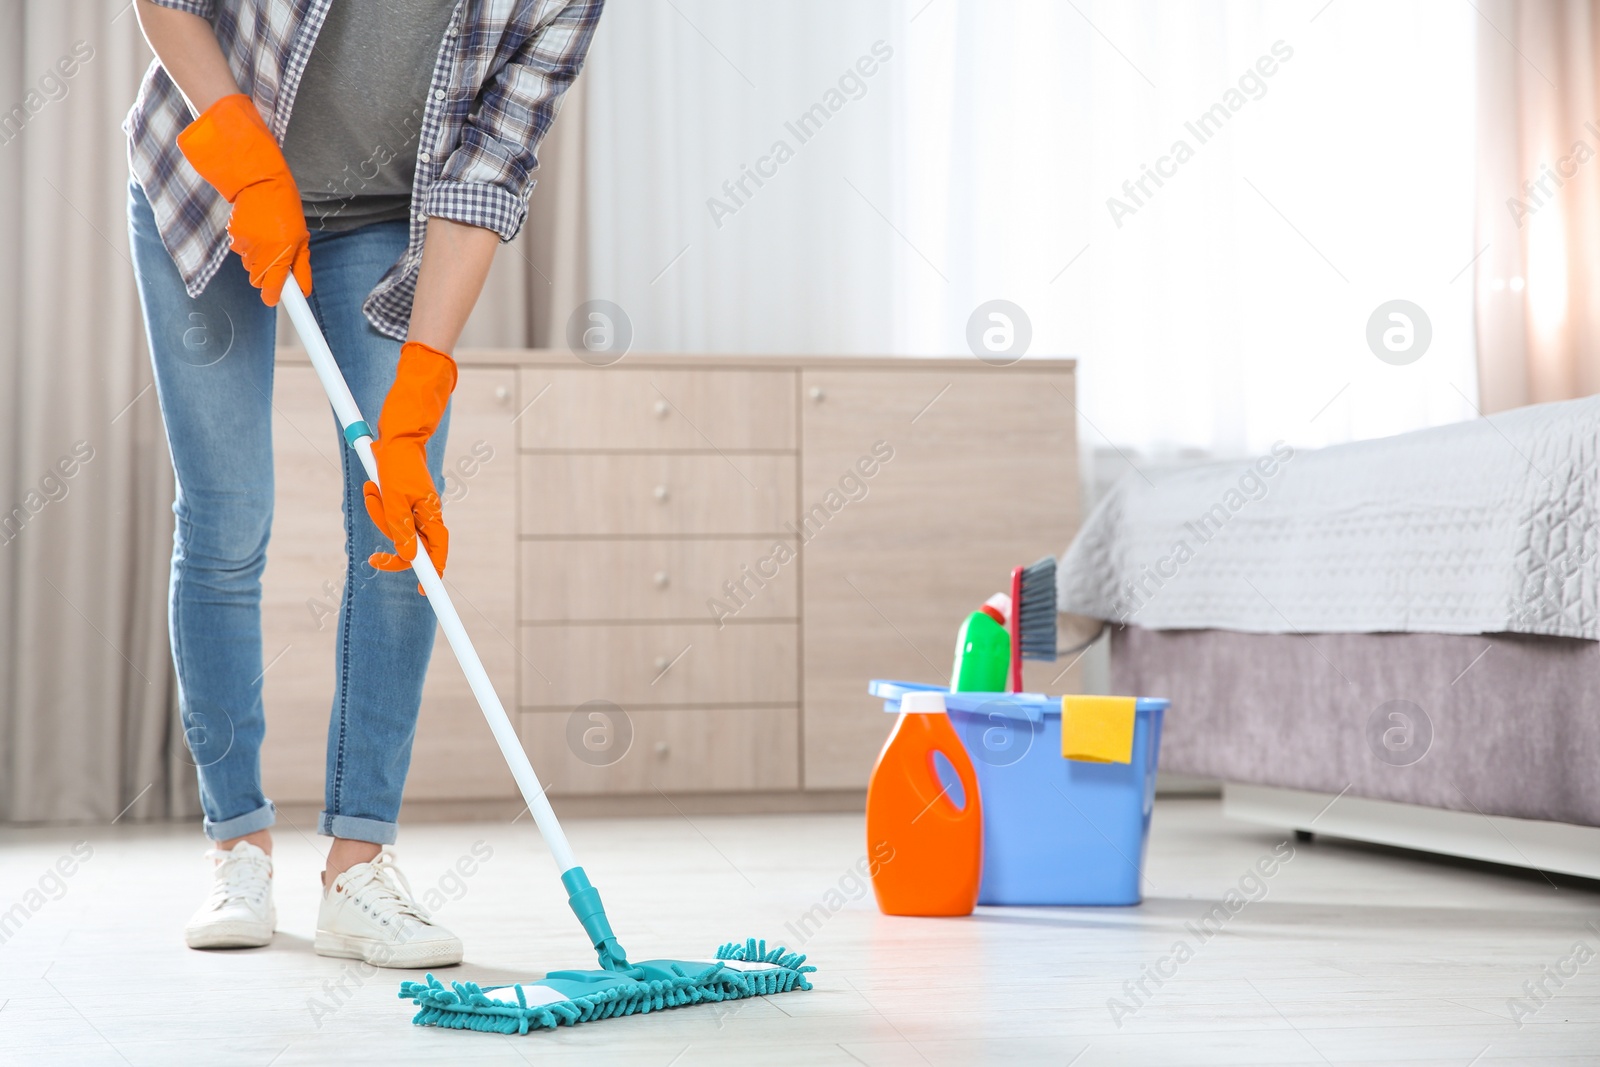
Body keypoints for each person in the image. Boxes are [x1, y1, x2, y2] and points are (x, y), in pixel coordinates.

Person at [126, 0, 603, 968]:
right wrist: (240, 144)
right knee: (226, 516)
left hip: (385, 223)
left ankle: (359, 863)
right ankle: (237, 844)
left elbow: (490, 163)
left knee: (399, 525)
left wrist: (423, 372)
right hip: (211, 182)